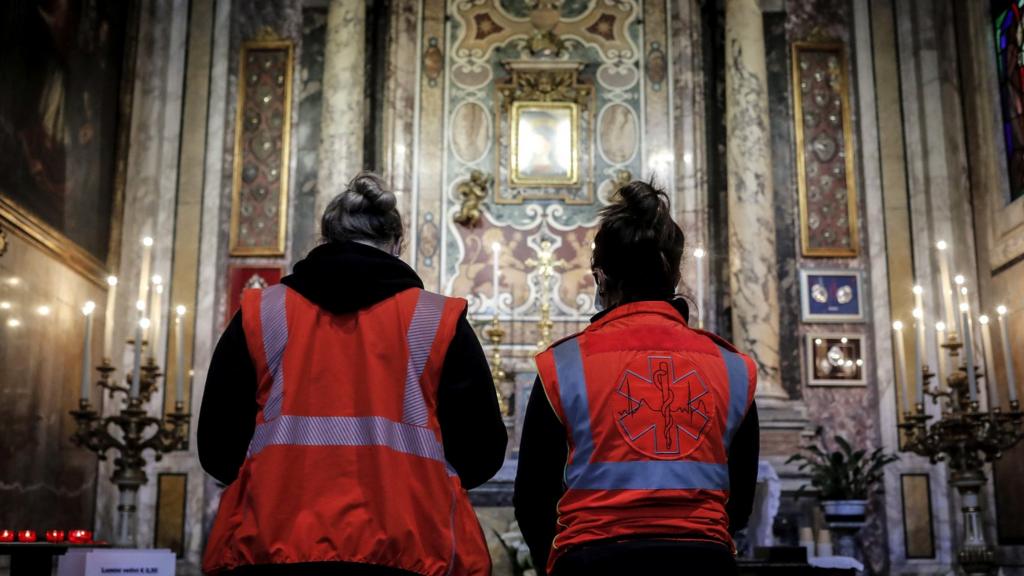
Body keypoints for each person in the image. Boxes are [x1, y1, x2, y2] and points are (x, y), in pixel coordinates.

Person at [199, 173, 506, 575]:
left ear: (325, 240)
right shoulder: (435, 319)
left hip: (273, 548)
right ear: (397, 245)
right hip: (411, 551)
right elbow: (481, 452)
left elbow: (218, 448)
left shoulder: (263, 313)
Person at [514, 180, 760, 576]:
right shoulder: (733, 368)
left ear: (601, 279)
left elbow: (532, 501)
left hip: (592, 562)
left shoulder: (562, 364)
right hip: (702, 564)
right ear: (675, 276)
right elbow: (741, 501)